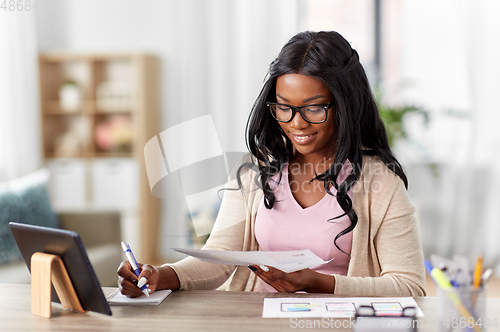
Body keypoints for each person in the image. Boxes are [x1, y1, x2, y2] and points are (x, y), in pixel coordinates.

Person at [118, 31, 426, 297]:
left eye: (314, 109)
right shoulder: (256, 171)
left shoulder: (381, 183)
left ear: (345, 105)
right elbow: (221, 255)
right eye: (284, 108)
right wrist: (160, 276)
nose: (297, 124)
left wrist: (318, 282)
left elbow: (409, 285)